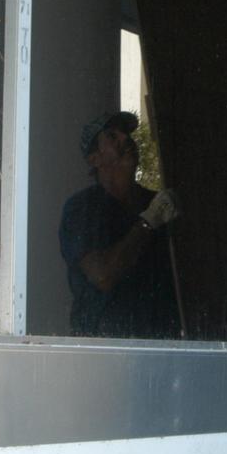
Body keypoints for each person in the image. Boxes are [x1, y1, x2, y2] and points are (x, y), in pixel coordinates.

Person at [58, 111, 182, 339]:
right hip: (105, 351)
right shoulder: (82, 209)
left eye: (126, 134)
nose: (126, 139)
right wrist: (148, 223)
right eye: (112, 136)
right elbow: (102, 275)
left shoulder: (156, 204)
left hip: (163, 345)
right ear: (94, 159)